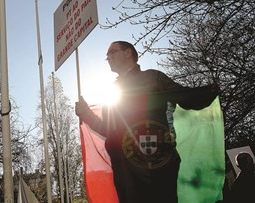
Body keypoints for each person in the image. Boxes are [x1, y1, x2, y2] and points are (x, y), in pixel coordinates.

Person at [75, 41, 218, 203]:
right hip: (124, 168)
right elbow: (108, 129)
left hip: (156, 164)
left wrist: (208, 92)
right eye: (107, 55)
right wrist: (86, 113)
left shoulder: (152, 78)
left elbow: (184, 97)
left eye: (112, 52)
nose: (108, 58)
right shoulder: (111, 92)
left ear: (128, 52)